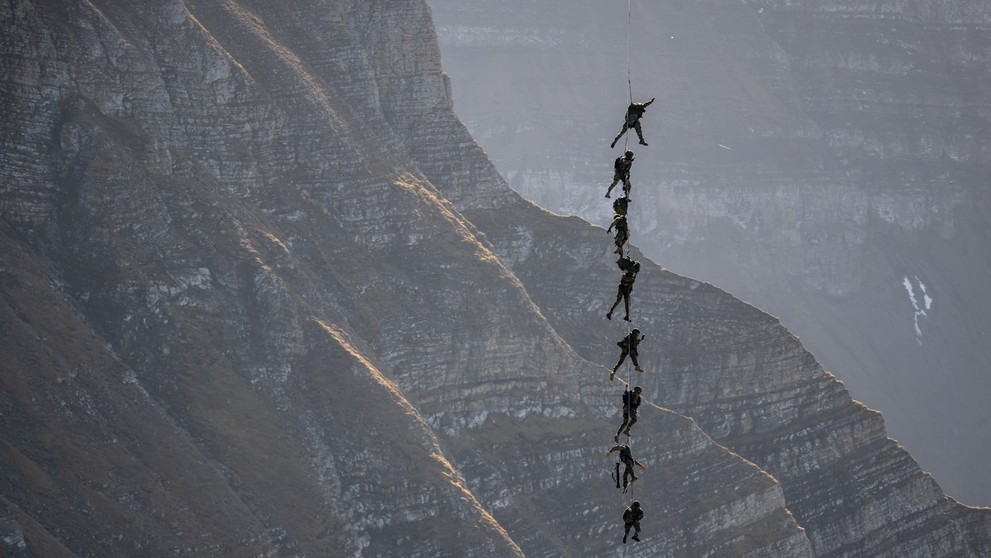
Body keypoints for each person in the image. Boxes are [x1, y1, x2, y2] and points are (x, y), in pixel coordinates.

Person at [606, 257, 640, 322]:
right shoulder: (630, 275)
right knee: (622, 301)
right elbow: (626, 281)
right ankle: (612, 313)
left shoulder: (629, 274)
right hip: (624, 288)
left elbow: (626, 280)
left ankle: (623, 315)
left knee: (623, 302)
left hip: (624, 288)